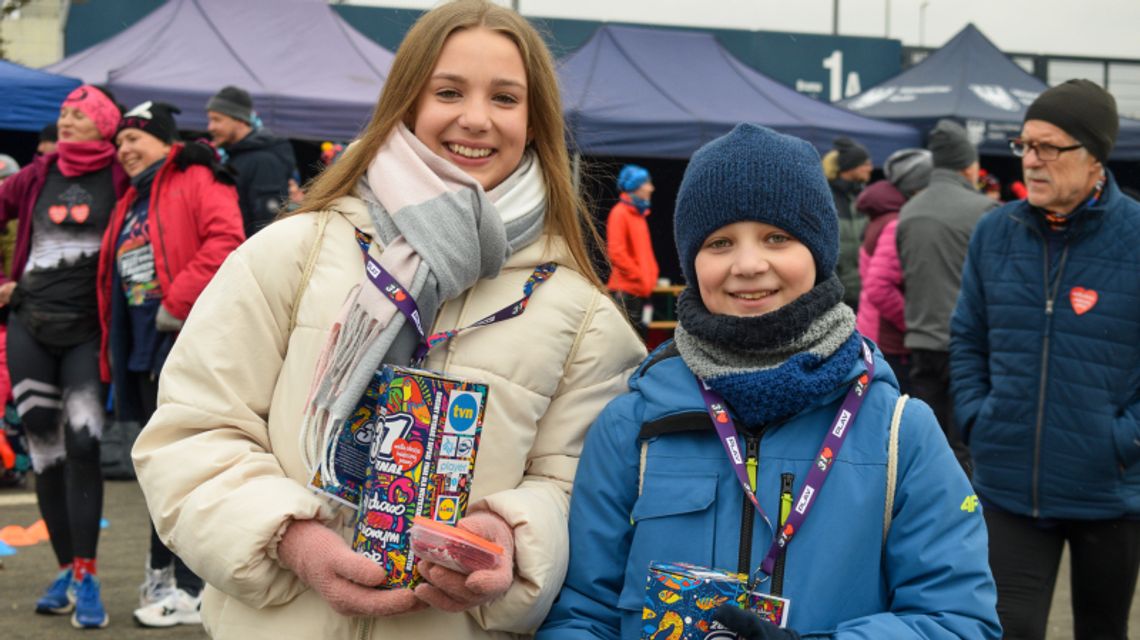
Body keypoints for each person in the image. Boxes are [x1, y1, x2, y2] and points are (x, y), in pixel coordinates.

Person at [131, 2, 646, 638]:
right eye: (449, 91)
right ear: (404, 104)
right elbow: (191, 432)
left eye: (506, 98)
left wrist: (509, 534)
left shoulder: (583, 317)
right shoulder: (295, 253)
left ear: (535, 122)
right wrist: (290, 539)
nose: (476, 118)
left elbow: (583, 491)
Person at [540, 123, 1000, 639]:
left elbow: (958, 621)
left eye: (777, 238)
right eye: (720, 242)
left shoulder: (899, 433)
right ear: (692, 262)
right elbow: (582, 615)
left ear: (819, 253)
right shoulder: (632, 424)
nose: (749, 264)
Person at [951, 79, 1140, 640]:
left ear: (1094, 158)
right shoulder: (994, 230)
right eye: (1026, 145)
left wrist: (1125, 440)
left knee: (1102, 630)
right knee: (1006, 629)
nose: (1031, 161)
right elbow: (967, 337)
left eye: (1049, 147)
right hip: (1009, 483)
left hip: (1108, 489)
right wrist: (979, 420)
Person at [99, 101, 245, 627]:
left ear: (165, 141)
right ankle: (165, 571)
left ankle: (192, 588)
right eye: (119, 144)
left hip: (182, 338)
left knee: (188, 468)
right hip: (140, 348)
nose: (125, 151)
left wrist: (175, 301)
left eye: (135, 139)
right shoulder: (130, 200)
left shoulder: (196, 176)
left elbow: (227, 240)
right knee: (162, 470)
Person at [0, 84, 127, 629]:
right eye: (64, 113)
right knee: (45, 454)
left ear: (104, 125)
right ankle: (65, 569)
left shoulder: (119, 175)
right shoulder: (36, 175)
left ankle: (89, 574)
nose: (68, 120)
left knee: (83, 447)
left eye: (80, 114)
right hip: (29, 327)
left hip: (86, 336)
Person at [896, 119, 995, 474]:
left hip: (920, 340)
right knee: (965, 447)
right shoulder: (983, 211)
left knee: (927, 447)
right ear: (969, 166)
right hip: (966, 346)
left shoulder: (908, 211)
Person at [855, 148, 932, 395]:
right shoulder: (896, 222)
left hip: (875, 332)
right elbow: (879, 287)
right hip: (889, 343)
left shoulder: (885, 215)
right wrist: (912, 324)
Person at [205, 85, 297, 237]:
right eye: (210, 120)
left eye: (217, 120)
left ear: (240, 121)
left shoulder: (263, 161)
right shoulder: (234, 156)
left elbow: (267, 224)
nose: (210, 127)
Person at [605, 164, 659, 337]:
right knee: (627, 344)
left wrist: (649, 276)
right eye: (647, 183)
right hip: (626, 293)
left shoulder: (639, 215)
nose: (651, 188)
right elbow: (616, 253)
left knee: (640, 341)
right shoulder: (620, 213)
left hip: (640, 291)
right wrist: (640, 275)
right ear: (635, 186)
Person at [822, 136, 872, 311]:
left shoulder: (862, 197)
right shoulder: (825, 198)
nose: (870, 168)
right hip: (838, 297)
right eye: (864, 163)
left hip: (863, 291)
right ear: (850, 166)